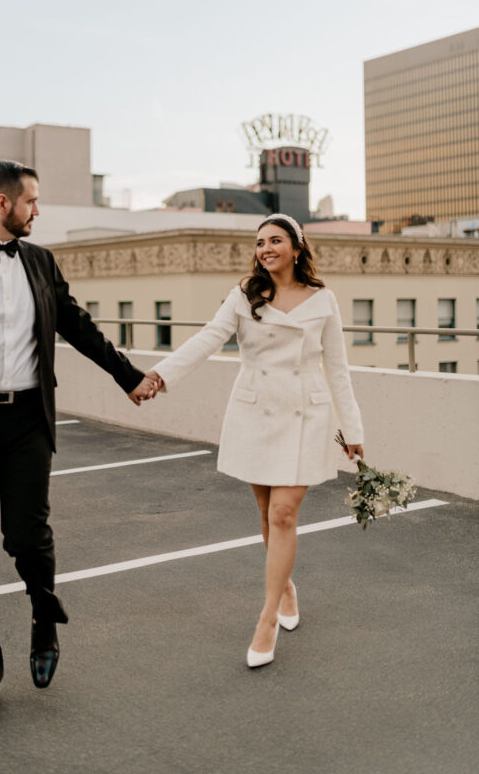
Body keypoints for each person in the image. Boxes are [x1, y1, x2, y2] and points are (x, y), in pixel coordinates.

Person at [0, 161, 156, 728]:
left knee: (27, 536)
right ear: (1, 203)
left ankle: (44, 613)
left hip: (26, 425)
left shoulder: (40, 261)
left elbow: (78, 325)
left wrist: (128, 376)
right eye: (32, 202)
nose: (38, 211)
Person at [132, 213, 364, 668]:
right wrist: (161, 373)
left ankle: (266, 618)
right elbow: (208, 339)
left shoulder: (323, 299)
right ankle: (286, 588)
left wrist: (352, 430)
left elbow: (337, 368)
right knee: (264, 513)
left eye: (275, 240)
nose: (266, 248)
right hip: (256, 411)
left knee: (283, 514)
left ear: (297, 247)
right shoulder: (245, 294)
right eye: (260, 242)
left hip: (305, 413)